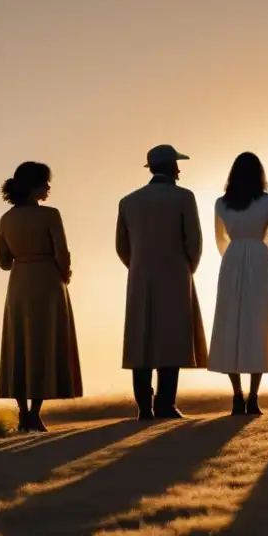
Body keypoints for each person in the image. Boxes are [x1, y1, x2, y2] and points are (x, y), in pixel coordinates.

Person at [116, 144, 208, 420]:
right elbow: (194, 241)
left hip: (140, 275)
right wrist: (187, 268)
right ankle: (165, 404)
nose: (179, 169)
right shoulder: (184, 197)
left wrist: (137, 266)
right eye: (176, 164)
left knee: (141, 340)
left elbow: (122, 246)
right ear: (170, 166)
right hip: (176, 274)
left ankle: (144, 406)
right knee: (172, 338)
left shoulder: (128, 201)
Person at [0, 161, 83, 432]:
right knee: (45, 344)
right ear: (34, 186)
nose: (48, 188)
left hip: (19, 284)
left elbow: (3, 261)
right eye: (45, 183)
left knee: (20, 345)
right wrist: (65, 274)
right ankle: (35, 413)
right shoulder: (50, 215)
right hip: (47, 282)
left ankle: (23, 413)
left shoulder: (6, 219)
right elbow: (62, 253)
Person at [208, 152, 268, 414]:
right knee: (258, 324)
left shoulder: (222, 204)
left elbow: (220, 241)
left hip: (232, 261)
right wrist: (261, 255)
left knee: (231, 323)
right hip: (260, 260)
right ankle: (253, 396)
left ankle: (237, 395)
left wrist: (235, 254)